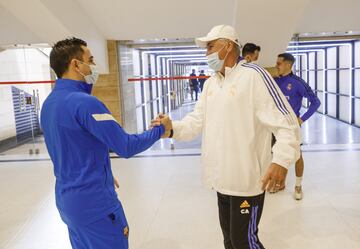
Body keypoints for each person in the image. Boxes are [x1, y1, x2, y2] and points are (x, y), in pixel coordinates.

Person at [152, 25, 300, 249]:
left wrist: (281, 160)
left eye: (210, 46)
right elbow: (197, 120)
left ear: (228, 46)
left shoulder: (254, 76)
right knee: (230, 241)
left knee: (245, 242)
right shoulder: (212, 83)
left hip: (248, 182)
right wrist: (172, 128)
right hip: (222, 181)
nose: (206, 53)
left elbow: (287, 123)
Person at [41, 37, 171, 249]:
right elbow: (126, 146)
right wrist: (160, 129)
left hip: (68, 203)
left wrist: (102, 171)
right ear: (76, 64)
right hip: (96, 205)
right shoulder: (86, 103)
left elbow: (71, 148)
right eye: (90, 60)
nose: (94, 67)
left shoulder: (49, 104)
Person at [274, 52, 321, 200]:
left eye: (279, 63)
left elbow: (316, 102)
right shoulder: (274, 81)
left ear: (288, 64)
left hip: (291, 126)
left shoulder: (298, 83)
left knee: (297, 155)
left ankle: (298, 185)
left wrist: (302, 119)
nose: (276, 66)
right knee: (277, 154)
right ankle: (280, 183)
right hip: (275, 125)